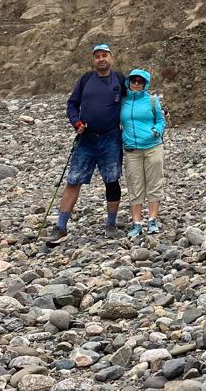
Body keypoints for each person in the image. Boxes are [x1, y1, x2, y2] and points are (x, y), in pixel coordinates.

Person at [44, 43, 126, 245]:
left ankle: (111, 225)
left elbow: (137, 99)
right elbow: (72, 104)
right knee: (73, 181)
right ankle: (61, 227)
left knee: (112, 181)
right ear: (93, 60)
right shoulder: (86, 80)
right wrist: (76, 123)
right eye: (97, 56)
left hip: (111, 137)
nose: (101, 59)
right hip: (86, 139)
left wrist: (157, 111)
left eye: (105, 55)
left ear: (111, 58)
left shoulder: (121, 80)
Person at [121, 68, 168, 238]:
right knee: (135, 185)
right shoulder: (122, 101)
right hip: (132, 150)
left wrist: (156, 130)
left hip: (152, 147)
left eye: (140, 81)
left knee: (154, 183)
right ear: (128, 82)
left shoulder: (153, 101)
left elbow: (161, 121)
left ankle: (153, 220)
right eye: (133, 80)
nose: (136, 84)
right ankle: (136, 222)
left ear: (145, 84)